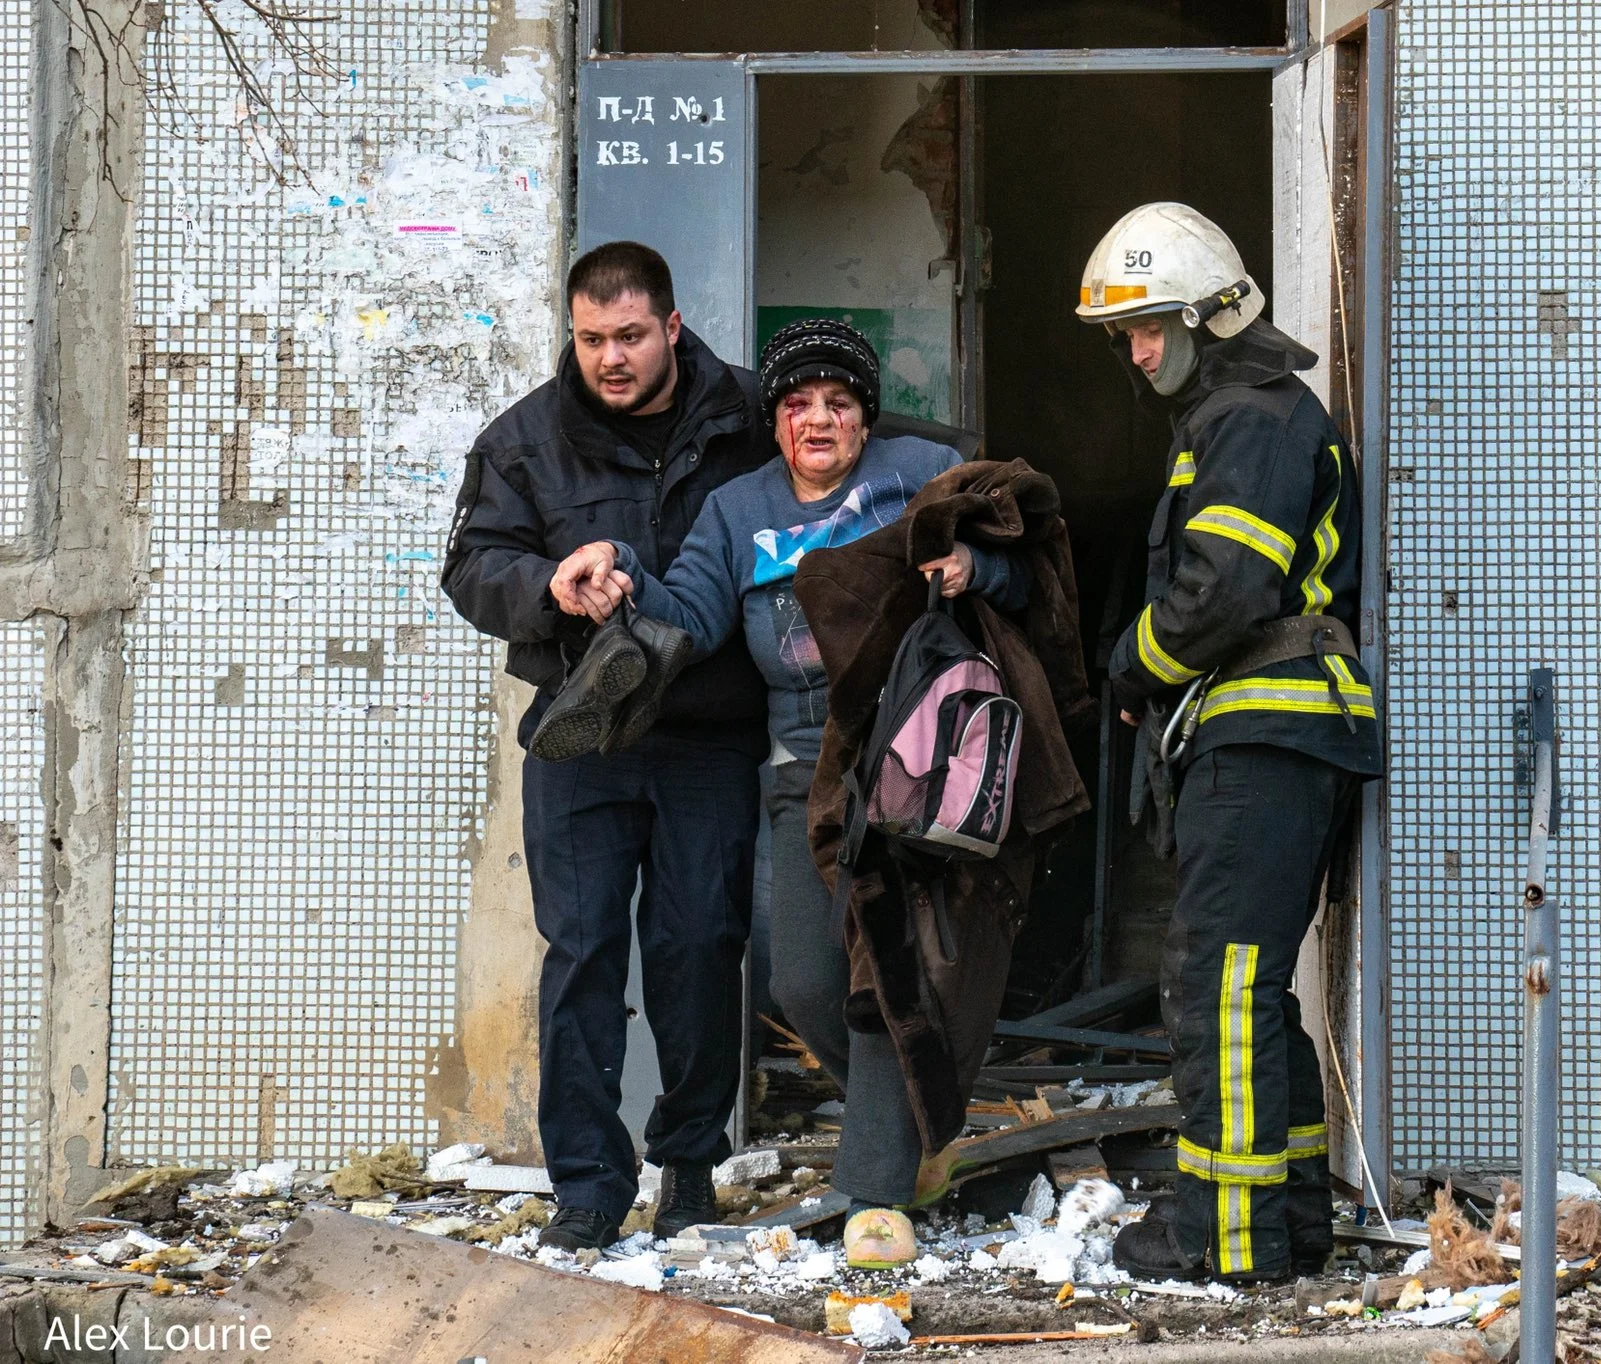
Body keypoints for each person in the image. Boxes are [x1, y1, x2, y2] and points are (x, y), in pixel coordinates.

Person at [548, 317, 1028, 1267]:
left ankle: (874, 1191)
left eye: (839, 403)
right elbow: (688, 612)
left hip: (915, 767)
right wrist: (622, 576)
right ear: (773, 420)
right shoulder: (737, 511)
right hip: (799, 775)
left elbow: (1029, 562)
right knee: (801, 979)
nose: (819, 419)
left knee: (885, 975)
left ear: (865, 418)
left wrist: (980, 566)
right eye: (800, 404)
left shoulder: (918, 475)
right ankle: (919, 1127)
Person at [1074, 203, 1386, 1283]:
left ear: (1213, 314)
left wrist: (1126, 666)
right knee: (1248, 984)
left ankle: (1228, 1236)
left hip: (1265, 733)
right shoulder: (1241, 413)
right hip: (1267, 735)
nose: (1137, 350)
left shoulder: (1247, 419)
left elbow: (1222, 594)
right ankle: (1290, 1221)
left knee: (1219, 982)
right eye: (1126, 334)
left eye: (1152, 326)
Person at [442, 241, 772, 1251]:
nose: (609, 358)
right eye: (590, 339)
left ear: (671, 327)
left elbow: (834, 478)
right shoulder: (524, 441)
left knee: (699, 947)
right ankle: (586, 1180)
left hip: (708, 731)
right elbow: (470, 567)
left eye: (629, 336)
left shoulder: (752, 417)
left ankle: (686, 1165)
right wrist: (550, 582)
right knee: (582, 951)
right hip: (582, 736)